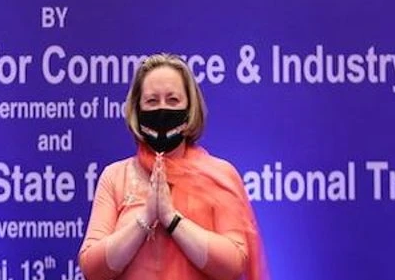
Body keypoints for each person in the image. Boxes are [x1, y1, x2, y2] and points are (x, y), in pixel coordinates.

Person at [78, 54, 268, 280]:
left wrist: (171, 218)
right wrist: (146, 218)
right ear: (137, 111)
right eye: (151, 101)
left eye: (173, 100)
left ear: (190, 111)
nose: (162, 109)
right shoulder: (115, 177)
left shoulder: (220, 176)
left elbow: (234, 263)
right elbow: (92, 267)